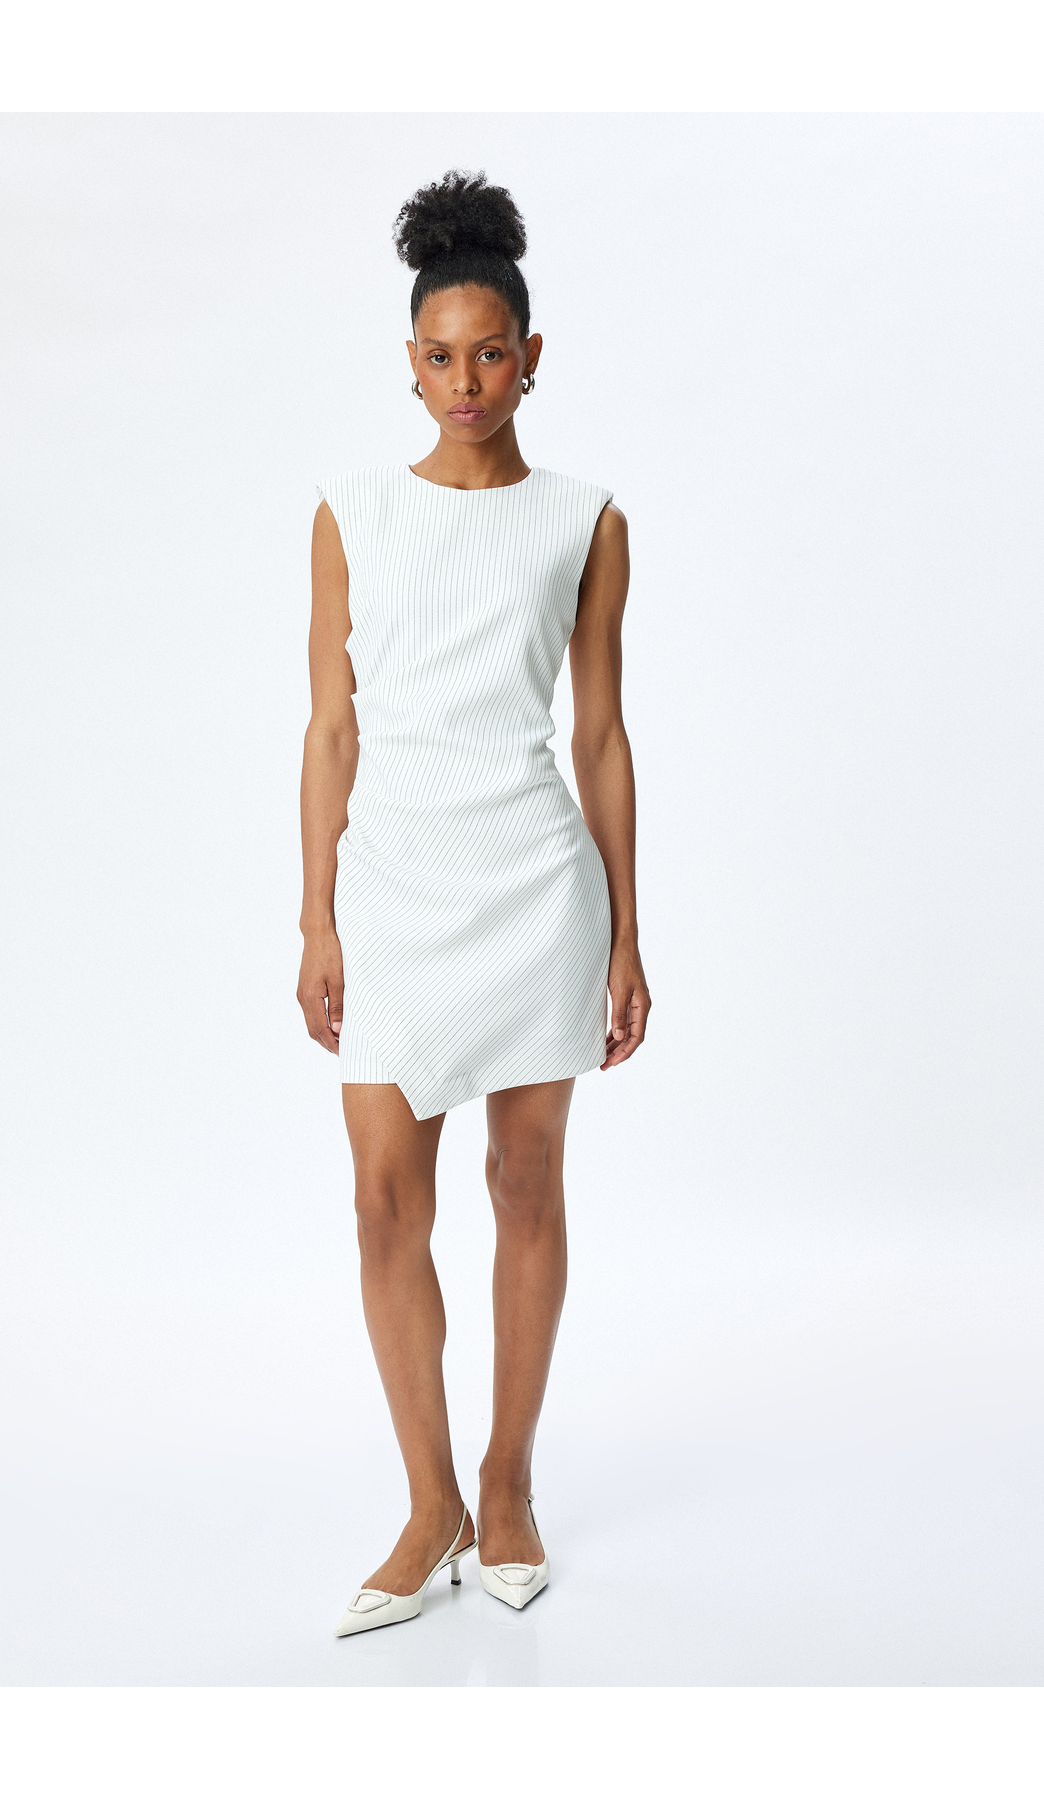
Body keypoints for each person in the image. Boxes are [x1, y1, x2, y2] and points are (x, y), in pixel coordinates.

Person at [297, 169, 650, 1637]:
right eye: (440, 356)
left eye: (490, 353)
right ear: (410, 362)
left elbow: (600, 734)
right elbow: (331, 728)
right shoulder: (353, 514)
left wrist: (628, 934)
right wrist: (317, 920)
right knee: (385, 1200)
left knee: (524, 1184)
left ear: (531, 357)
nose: (466, 382)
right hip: (394, 889)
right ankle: (427, 1498)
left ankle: (506, 1484)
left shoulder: (585, 520)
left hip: (535, 886)